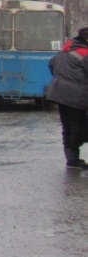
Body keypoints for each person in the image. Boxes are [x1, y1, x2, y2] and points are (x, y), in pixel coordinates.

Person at [46, 26, 88, 168]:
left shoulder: (66, 48)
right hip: (75, 95)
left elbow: (52, 63)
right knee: (80, 126)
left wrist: (61, 78)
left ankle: (72, 159)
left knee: (68, 125)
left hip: (58, 92)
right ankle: (72, 153)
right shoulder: (84, 53)